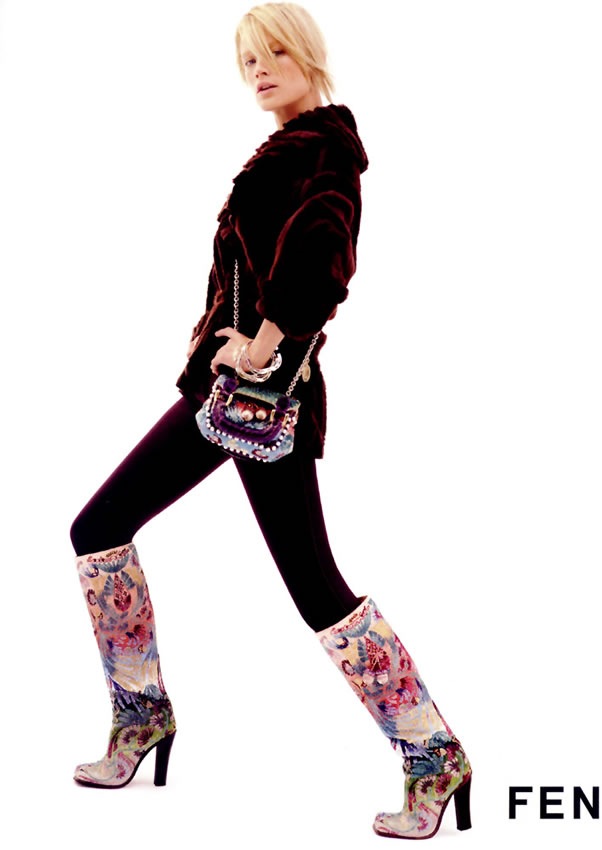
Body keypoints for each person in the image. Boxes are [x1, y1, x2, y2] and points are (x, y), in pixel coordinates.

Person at [69, 2, 472, 840]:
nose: (258, 70)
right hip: (227, 396)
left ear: (308, 55)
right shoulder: (290, 146)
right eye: (247, 60)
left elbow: (325, 257)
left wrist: (263, 342)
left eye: (274, 53)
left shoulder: (322, 149)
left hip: (262, 399)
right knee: (100, 530)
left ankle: (433, 756)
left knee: (313, 587)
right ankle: (143, 716)